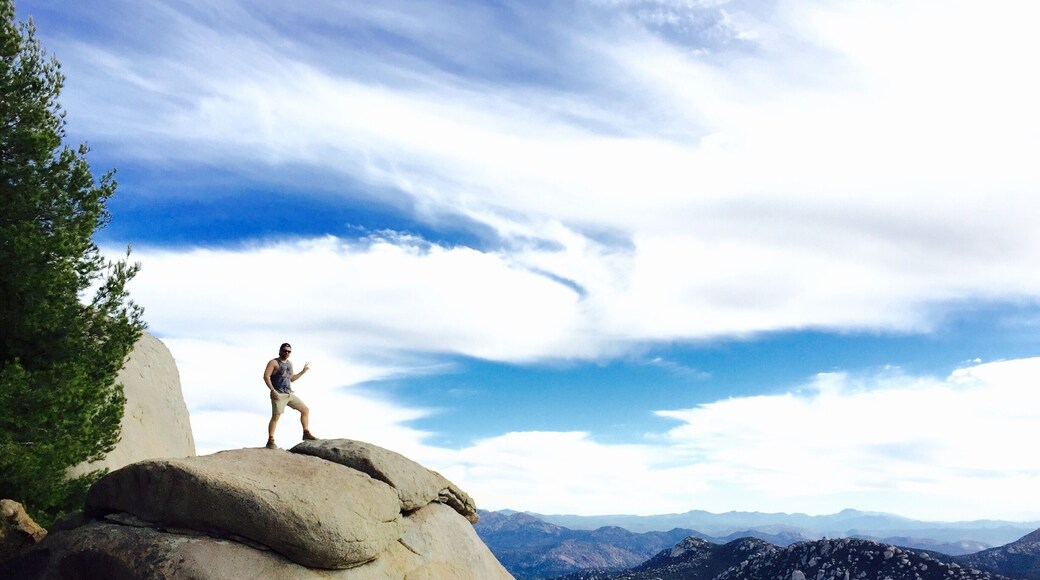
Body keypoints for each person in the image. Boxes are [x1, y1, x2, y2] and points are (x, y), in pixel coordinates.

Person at [263, 342, 317, 449]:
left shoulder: (289, 364)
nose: (287, 353)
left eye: (289, 351)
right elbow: (266, 376)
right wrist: (272, 390)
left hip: (289, 394)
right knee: (276, 417)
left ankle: (306, 433)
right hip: (278, 394)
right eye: (285, 351)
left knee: (305, 410)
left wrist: (303, 372)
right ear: (280, 351)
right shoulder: (274, 362)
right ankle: (270, 440)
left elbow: (291, 379)